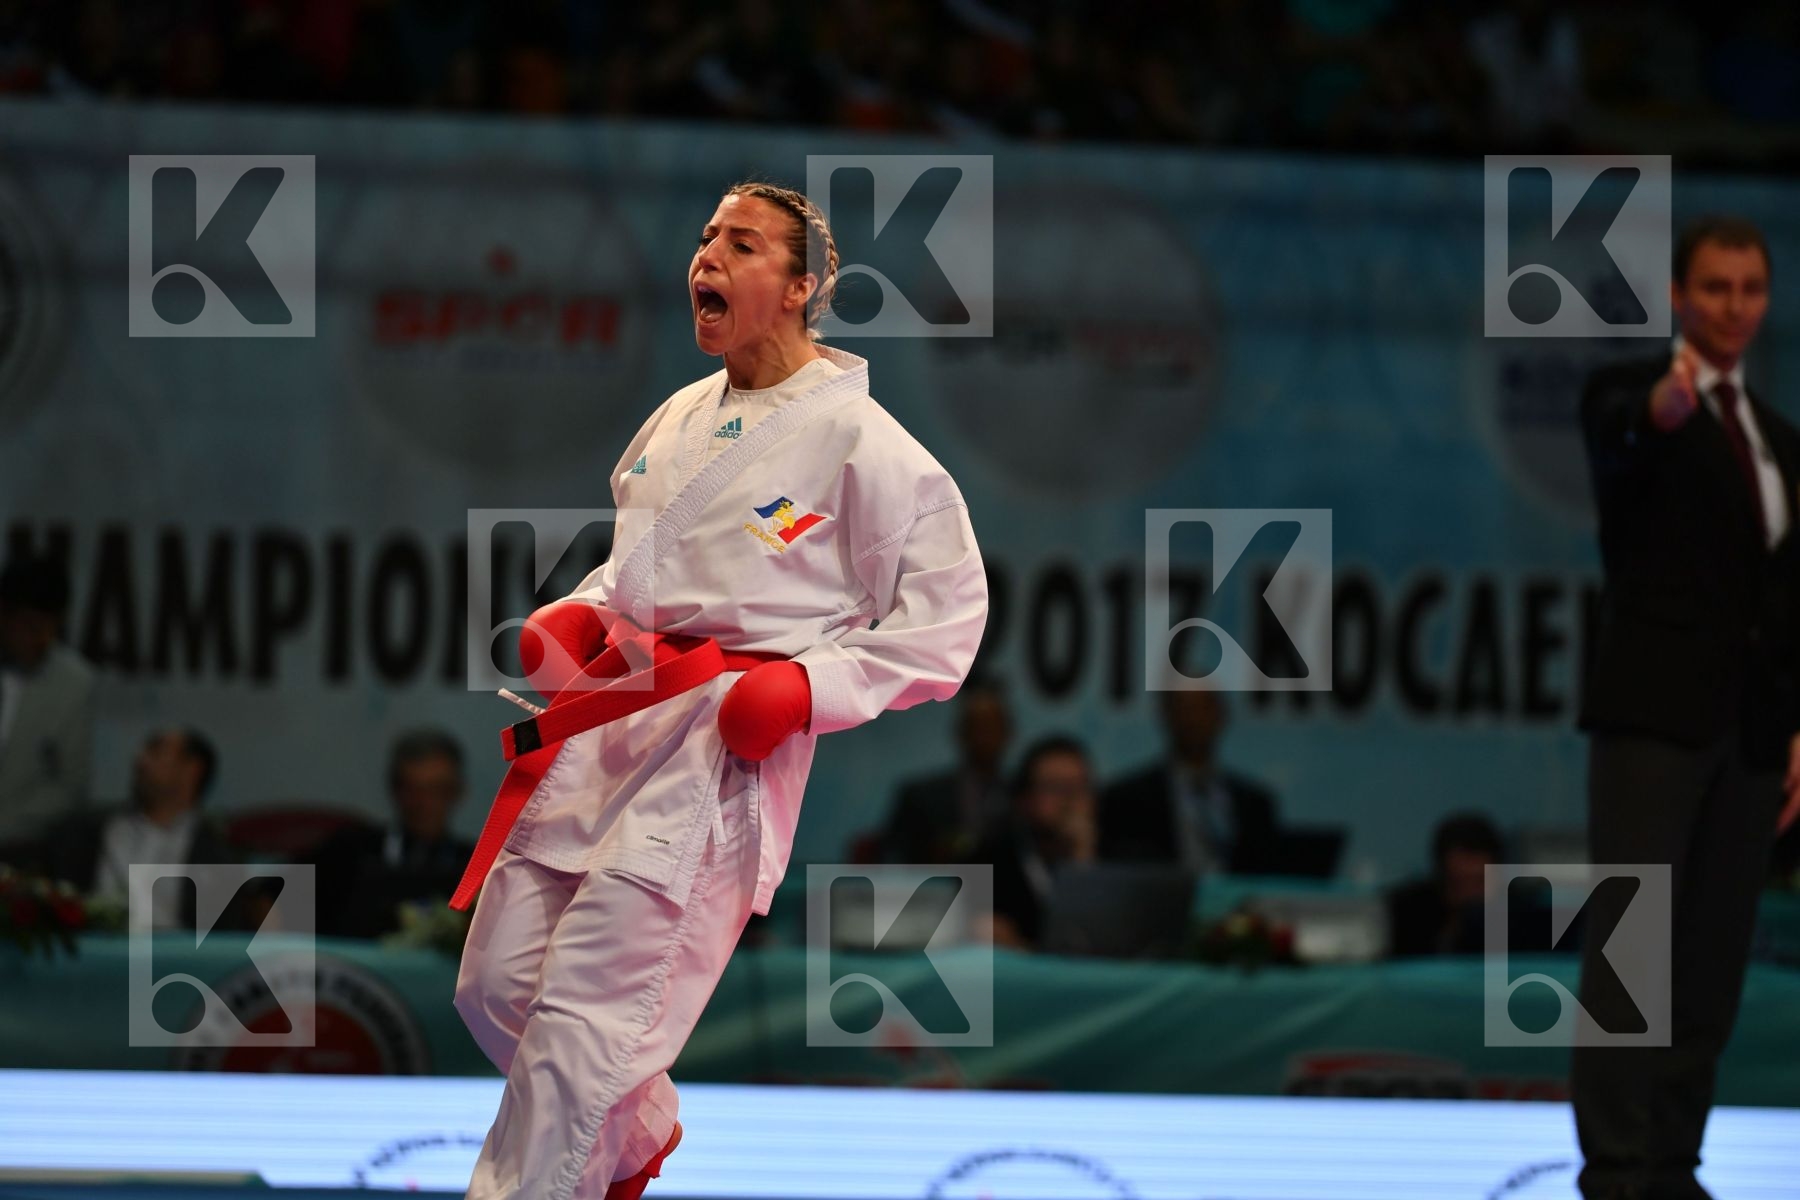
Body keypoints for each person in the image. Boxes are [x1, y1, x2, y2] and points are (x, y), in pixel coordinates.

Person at [451, 180, 988, 1200]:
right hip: (614, 730)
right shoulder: (681, 414)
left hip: (720, 752)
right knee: (493, 986)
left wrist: (809, 686)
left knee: (580, 1032)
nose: (707, 256)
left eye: (741, 245)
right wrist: (587, 611)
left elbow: (949, 622)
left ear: (800, 289)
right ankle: (640, 1123)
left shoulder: (863, 444)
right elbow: (642, 565)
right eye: (705, 238)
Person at [1576, 214, 1800, 1200]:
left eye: (1750, 288)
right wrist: (1666, 403)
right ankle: (1618, 1171)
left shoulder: (1783, 443)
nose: (1735, 306)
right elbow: (1634, 431)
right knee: (1631, 952)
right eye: (1716, 287)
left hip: (1753, 734)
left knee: (1710, 967)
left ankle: (1673, 1166)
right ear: (1679, 294)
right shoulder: (1629, 401)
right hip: (1654, 723)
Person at [44, 727, 236, 931]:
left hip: (174, 958)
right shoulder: (82, 833)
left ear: (192, 769)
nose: (139, 758)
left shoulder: (217, 857)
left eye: (155, 750)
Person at [313, 728, 476, 939]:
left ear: (457, 792)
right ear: (394, 790)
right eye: (413, 790)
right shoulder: (351, 851)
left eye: (437, 790)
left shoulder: (477, 866)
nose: (424, 803)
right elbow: (272, 900)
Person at [1099, 689, 1281, 875]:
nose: (1194, 719)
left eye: (1203, 708)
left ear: (1221, 715)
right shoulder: (1127, 799)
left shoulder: (1255, 804)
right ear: (1166, 715)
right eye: (1184, 708)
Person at [0, 550, 96, 856]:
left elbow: (70, 788)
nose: (42, 638)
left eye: (52, 626)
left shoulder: (74, 682)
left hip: (23, 850)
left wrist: (7, 823)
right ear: (4, 615)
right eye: (30, 625)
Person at [969, 733, 1098, 951]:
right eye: (1055, 787)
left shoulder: (1121, 856)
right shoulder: (987, 863)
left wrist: (1083, 861)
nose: (1069, 800)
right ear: (1024, 800)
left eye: (1079, 787)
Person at [878, 676, 1012, 865]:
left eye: (992, 727)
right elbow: (893, 857)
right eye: (976, 727)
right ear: (960, 732)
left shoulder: (1023, 797)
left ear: (1008, 732)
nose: (984, 737)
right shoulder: (921, 797)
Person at [1385, 812, 1504, 957]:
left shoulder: (1519, 919)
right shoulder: (1408, 911)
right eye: (1457, 883)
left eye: (1480, 881)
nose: (1469, 893)